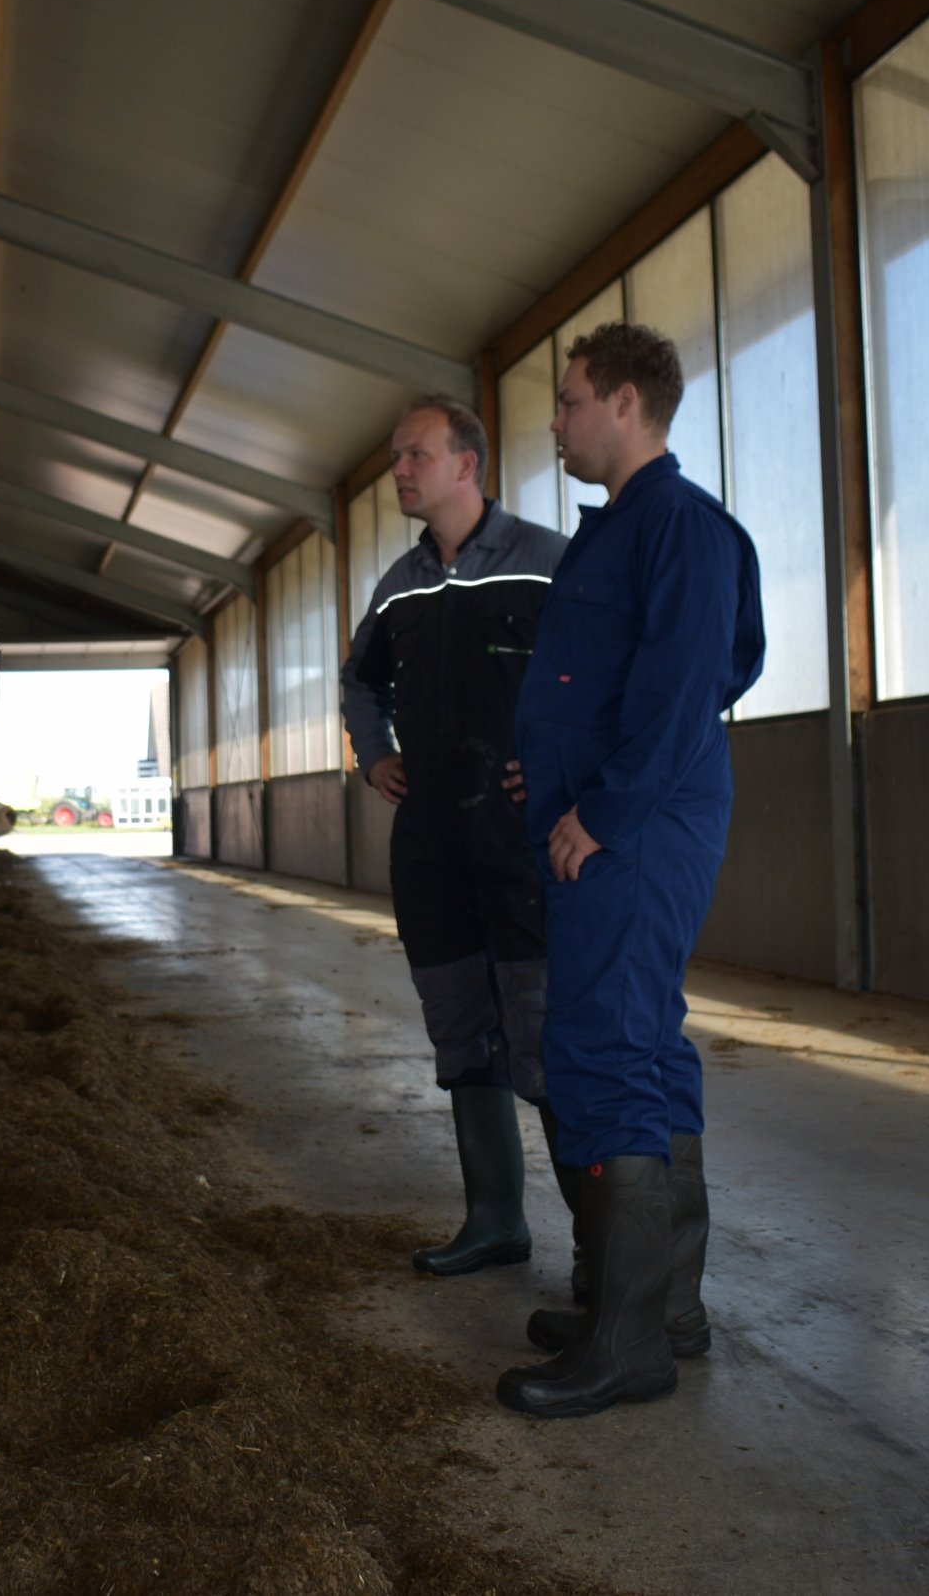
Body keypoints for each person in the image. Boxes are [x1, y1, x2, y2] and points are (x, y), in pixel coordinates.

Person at [498, 322, 765, 1419]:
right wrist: (550, 769)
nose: (554, 423)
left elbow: (691, 680)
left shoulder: (684, 529)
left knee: (602, 1045)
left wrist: (600, 811)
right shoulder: (613, 533)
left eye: (566, 403)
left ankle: (626, 1345)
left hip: (639, 826)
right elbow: (600, 684)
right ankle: (658, 1309)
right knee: (641, 1041)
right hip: (607, 814)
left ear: (622, 403)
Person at [341, 396, 573, 1276]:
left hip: (522, 844)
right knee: (460, 1028)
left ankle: (598, 1249)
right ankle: (495, 1220)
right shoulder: (397, 585)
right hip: (432, 842)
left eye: (414, 455)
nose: (399, 470)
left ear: (466, 463)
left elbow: (602, 674)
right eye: (397, 457)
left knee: (543, 1032)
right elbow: (359, 683)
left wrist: (561, 769)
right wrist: (374, 757)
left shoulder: (548, 561)